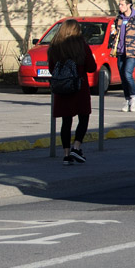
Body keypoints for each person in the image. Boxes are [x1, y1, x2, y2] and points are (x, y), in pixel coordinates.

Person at [47, 18, 97, 165]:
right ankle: (77, 147)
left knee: (66, 121)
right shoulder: (81, 45)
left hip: (62, 88)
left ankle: (66, 155)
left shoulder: (55, 46)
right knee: (83, 117)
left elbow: (51, 68)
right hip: (79, 86)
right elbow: (91, 68)